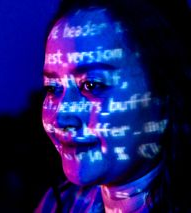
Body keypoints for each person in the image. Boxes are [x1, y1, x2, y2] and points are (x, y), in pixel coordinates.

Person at [36, 0, 191, 212]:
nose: (61, 117)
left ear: (163, 94)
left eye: (92, 85)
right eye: (53, 88)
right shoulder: (62, 202)